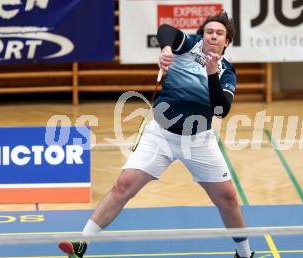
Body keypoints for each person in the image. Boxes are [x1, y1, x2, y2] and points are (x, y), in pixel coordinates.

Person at [58, 11, 254, 258]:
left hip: (198, 141)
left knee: (228, 198)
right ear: (202, 35)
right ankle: (81, 243)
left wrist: (212, 73)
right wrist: (166, 49)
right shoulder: (189, 46)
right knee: (123, 185)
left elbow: (220, 109)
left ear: (227, 42)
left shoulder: (227, 72)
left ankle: (245, 254)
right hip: (160, 135)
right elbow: (166, 30)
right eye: (209, 32)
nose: (213, 36)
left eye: (219, 34)